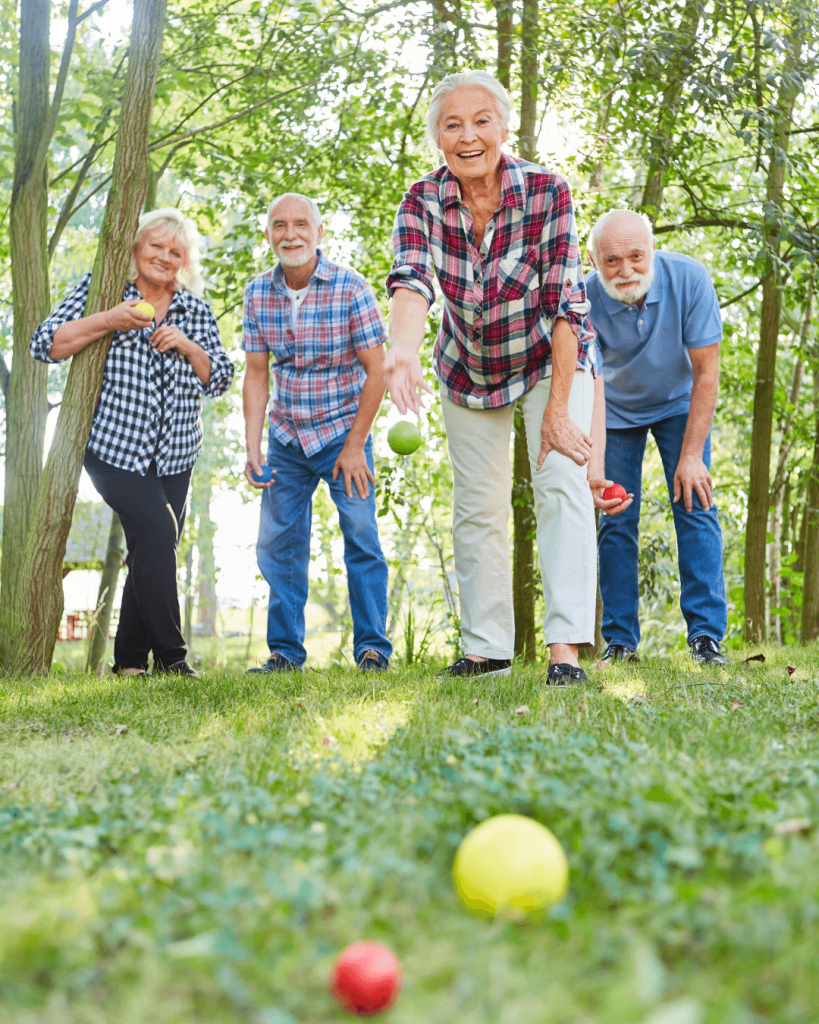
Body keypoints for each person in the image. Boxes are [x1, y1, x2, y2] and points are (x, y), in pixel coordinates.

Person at [385, 70, 598, 684]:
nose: (468, 135)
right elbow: (411, 279)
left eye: (481, 121)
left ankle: (564, 651)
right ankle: (487, 650)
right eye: (452, 125)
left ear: (503, 128)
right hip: (467, 367)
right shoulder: (421, 200)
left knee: (561, 486)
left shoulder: (548, 192)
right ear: (439, 139)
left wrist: (557, 410)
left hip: (548, 359)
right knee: (477, 506)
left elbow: (566, 304)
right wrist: (403, 350)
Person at [30, 207, 234, 677]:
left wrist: (188, 345)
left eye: (175, 251)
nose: (164, 256)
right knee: (159, 534)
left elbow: (220, 378)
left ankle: (128, 663)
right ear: (136, 248)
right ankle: (173, 658)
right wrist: (109, 320)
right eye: (156, 245)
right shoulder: (102, 291)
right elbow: (47, 343)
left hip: (177, 454)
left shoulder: (195, 310)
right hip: (115, 450)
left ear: (185, 261)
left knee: (150, 547)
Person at [242, 192, 392, 673]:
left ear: (319, 232)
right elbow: (256, 374)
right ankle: (285, 653)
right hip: (286, 439)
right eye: (280, 225)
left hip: (343, 434)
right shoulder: (258, 293)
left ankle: (373, 650)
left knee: (361, 535)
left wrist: (355, 446)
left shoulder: (351, 287)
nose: (291, 235)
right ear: (269, 235)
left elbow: (378, 370)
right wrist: (253, 446)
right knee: (278, 545)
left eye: (301, 224)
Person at [585, 209, 728, 665]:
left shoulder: (689, 279)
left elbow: (707, 372)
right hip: (613, 412)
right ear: (594, 261)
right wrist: (595, 466)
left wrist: (692, 455)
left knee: (695, 502)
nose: (625, 270)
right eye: (611, 261)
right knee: (616, 519)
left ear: (652, 251)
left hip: (679, 403)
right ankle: (620, 641)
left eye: (635, 256)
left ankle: (705, 637)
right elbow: (591, 385)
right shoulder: (583, 299)